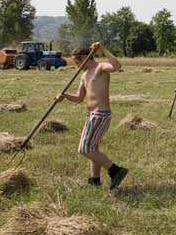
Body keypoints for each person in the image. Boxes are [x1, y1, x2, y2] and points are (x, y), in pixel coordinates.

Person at [55, 42, 129, 189]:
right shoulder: (83, 76)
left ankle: (116, 171)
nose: (76, 65)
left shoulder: (100, 68)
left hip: (100, 115)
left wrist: (103, 49)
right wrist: (64, 96)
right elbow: (79, 98)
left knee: (84, 149)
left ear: (84, 58)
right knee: (93, 148)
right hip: (91, 115)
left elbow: (117, 66)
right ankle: (95, 180)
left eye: (77, 62)